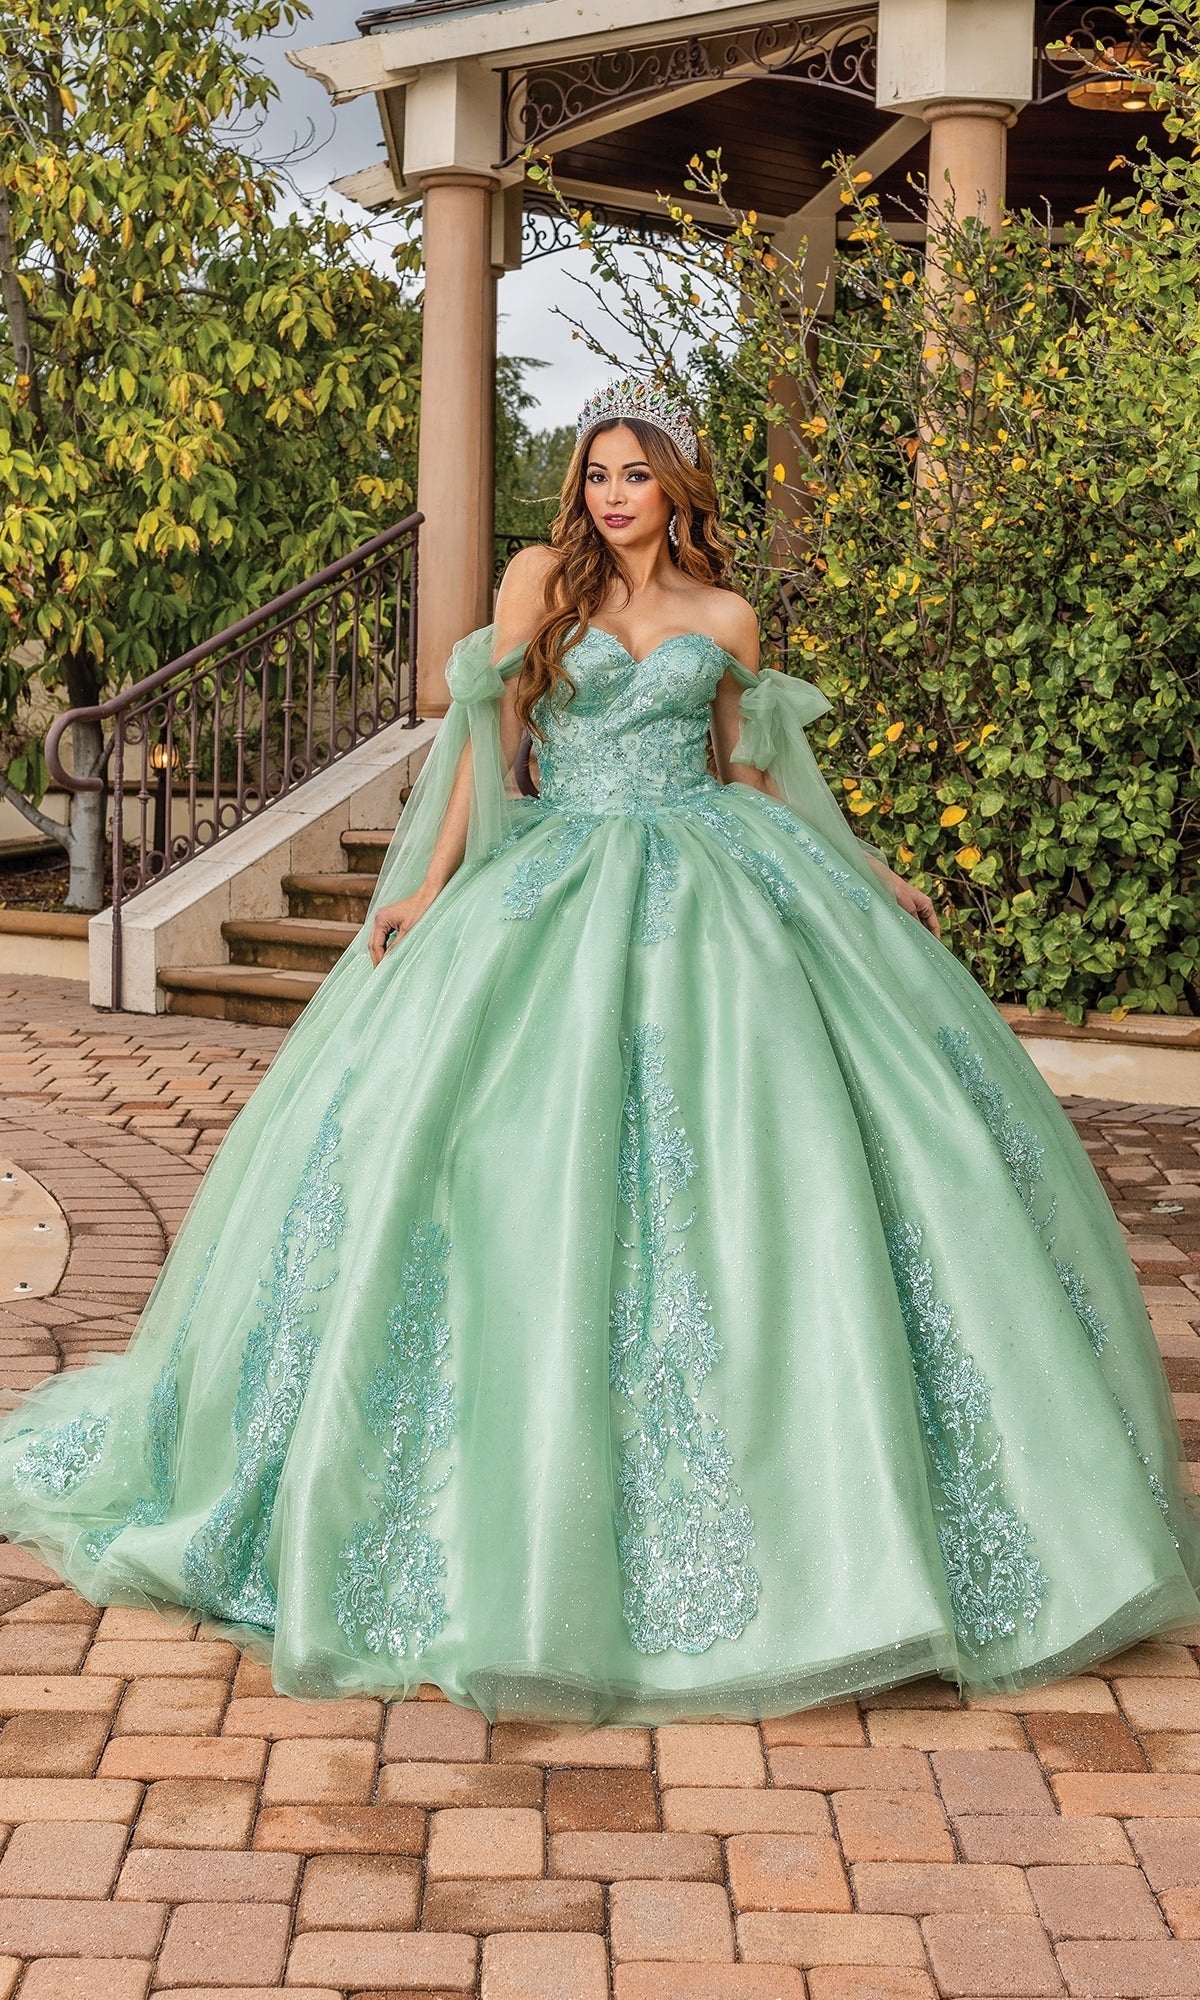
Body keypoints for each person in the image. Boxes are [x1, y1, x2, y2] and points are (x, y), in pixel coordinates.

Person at [0, 376, 1196, 1726]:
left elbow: (753, 772)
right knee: (496, 1153)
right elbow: (485, 744)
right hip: (553, 879)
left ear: (677, 491)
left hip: (719, 887)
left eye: (635, 475)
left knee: (775, 1152)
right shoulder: (537, 588)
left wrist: (869, 872)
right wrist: (430, 885)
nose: (611, 496)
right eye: (597, 475)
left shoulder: (726, 619)